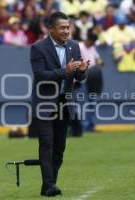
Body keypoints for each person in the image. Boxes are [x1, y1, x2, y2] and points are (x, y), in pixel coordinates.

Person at [30, 11, 89, 197]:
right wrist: (65, 71)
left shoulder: (74, 46)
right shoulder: (38, 48)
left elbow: (78, 76)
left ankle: (50, 183)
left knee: (59, 147)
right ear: (51, 29)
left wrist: (82, 71)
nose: (66, 31)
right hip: (45, 104)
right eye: (62, 27)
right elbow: (40, 76)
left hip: (65, 103)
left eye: (67, 27)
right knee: (46, 144)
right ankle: (49, 186)